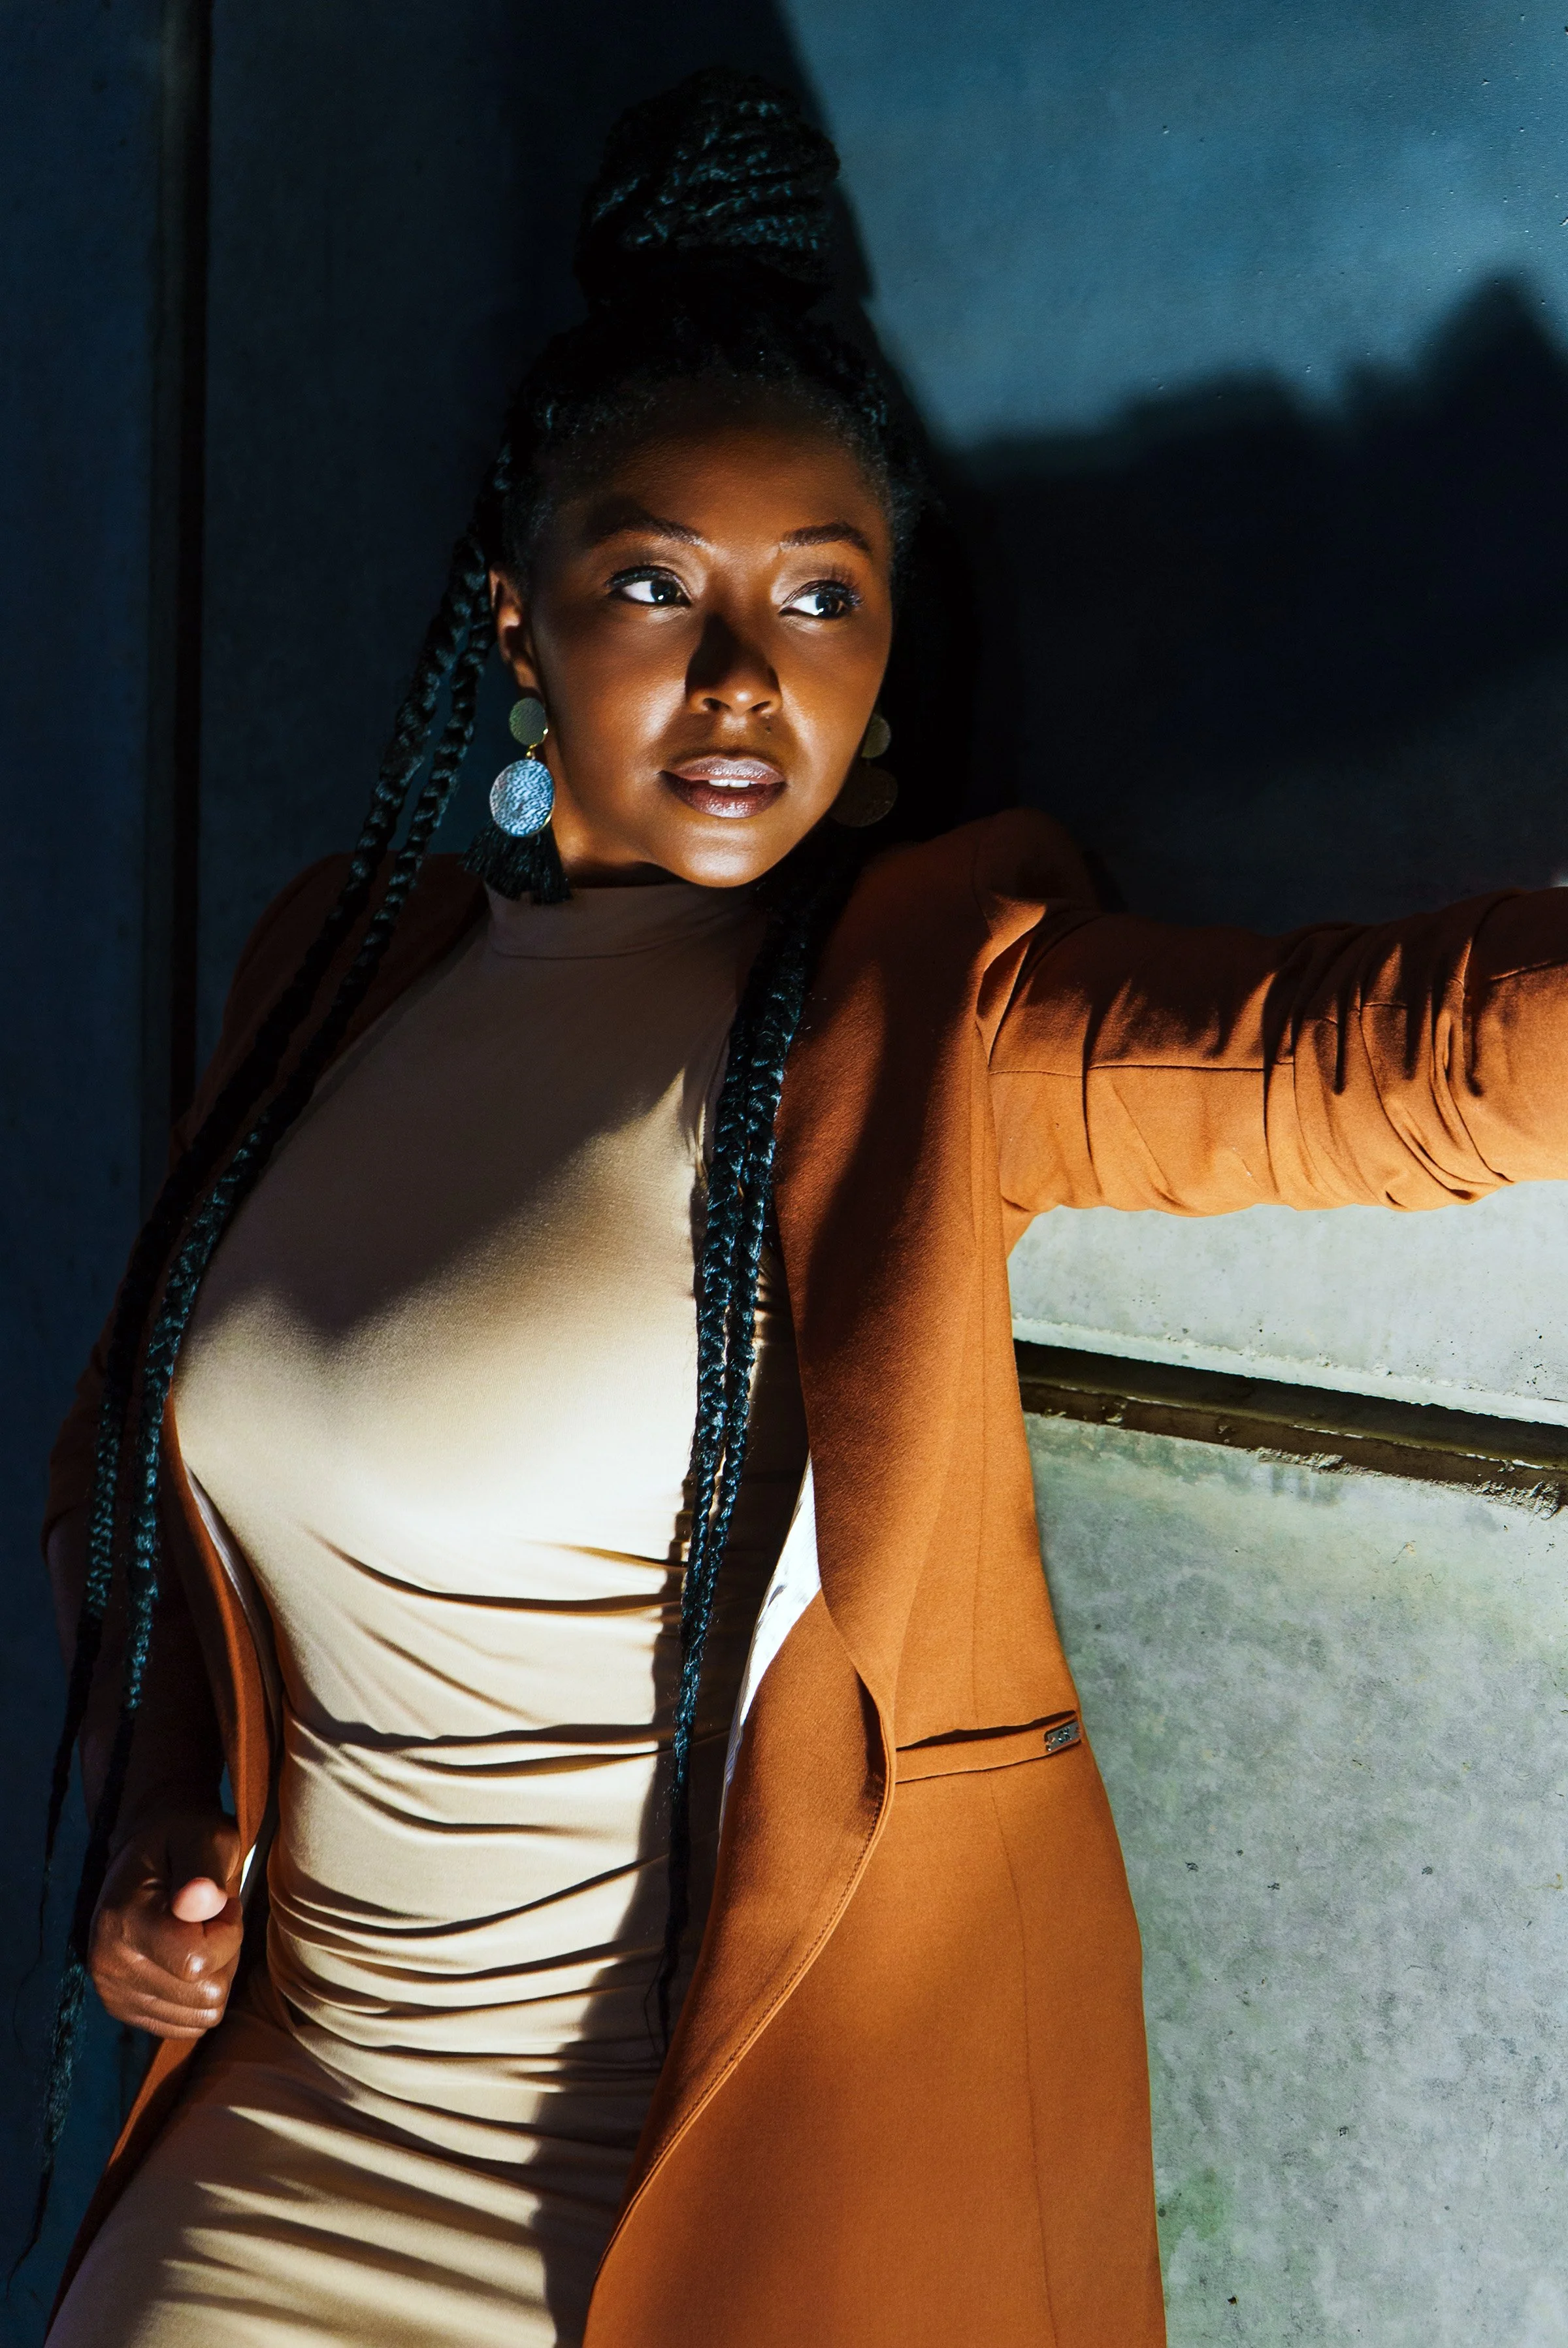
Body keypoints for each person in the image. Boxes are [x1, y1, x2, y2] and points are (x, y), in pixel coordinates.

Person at [31, 67, 1568, 2348]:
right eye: (652, 580)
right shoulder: (332, 969)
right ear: (518, 622)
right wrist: (168, 1812)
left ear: (885, 651)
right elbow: (140, 1475)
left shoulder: (913, 1023)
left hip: (728, 2203)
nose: (744, 674)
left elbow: (1408, 1062)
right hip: (282, 2147)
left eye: (819, 597)